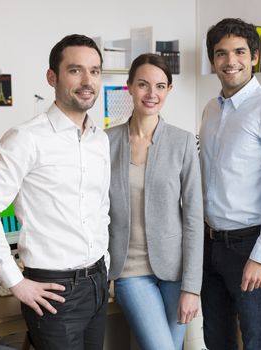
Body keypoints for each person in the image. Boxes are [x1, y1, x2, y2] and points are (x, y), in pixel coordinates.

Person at [0, 34, 111, 350]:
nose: (88, 80)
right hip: (54, 290)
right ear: (52, 77)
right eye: (75, 70)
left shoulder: (99, 140)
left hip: (98, 282)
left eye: (95, 71)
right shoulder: (25, 139)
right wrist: (15, 281)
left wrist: (105, 264)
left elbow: (101, 207)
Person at [199, 18, 261, 349]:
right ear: (213, 60)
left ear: (254, 56)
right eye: (221, 53)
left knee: (256, 341)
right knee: (216, 339)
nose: (231, 62)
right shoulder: (210, 111)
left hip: (249, 247)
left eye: (239, 52)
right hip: (210, 244)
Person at [106, 53, 204, 350]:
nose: (152, 94)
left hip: (175, 273)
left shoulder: (183, 142)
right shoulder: (105, 142)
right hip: (129, 272)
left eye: (160, 86)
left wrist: (192, 288)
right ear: (130, 87)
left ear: (169, 90)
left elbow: (194, 218)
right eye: (143, 85)